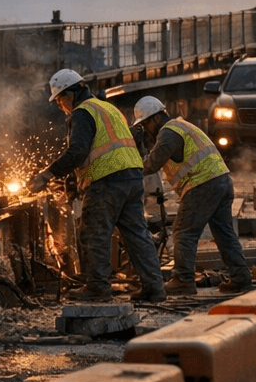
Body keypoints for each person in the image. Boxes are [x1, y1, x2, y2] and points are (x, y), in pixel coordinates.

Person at [30, 69, 165, 303]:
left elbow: (78, 151)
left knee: (95, 232)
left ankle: (98, 287)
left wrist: (47, 174)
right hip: (132, 177)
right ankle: (154, 287)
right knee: (137, 235)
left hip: (107, 179)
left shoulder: (82, 113)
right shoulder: (108, 107)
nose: (60, 106)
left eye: (59, 100)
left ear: (69, 94)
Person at [130, 95, 252, 297]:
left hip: (202, 184)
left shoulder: (168, 133)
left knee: (183, 232)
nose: (146, 129)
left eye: (145, 124)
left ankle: (183, 279)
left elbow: (151, 164)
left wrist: (130, 160)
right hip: (221, 181)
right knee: (224, 234)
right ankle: (241, 277)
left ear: (155, 119)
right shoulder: (181, 126)